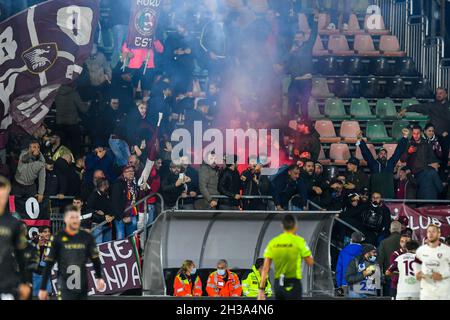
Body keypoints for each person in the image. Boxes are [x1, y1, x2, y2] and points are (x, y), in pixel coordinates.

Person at [38, 205, 106, 300]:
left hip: (82, 284)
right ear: (66, 219)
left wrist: (99, 277)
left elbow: (95, 259)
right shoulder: (58, 238)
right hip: (64, 284)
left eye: (76, 217)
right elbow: (49, 264)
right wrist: (43, 287)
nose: (74, 220)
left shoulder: (87, 237)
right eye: (71, 217)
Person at [258, 214, 314, 300]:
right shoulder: (300, 241)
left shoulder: (273, 242)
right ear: (295, 226)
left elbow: (265, 268)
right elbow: (310, 262)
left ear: (282, 226)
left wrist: (261, 289)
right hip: (294, 283)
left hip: (279, 283)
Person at [399, 87, 450, 176]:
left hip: (446, 137)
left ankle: (441, 179)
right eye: (437, 93)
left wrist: (447, 131)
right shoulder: (432, 105)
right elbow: (419, 107)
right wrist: (406, 109)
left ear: (446, 95)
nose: (438, 94)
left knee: (444, 159)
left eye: (441, 93)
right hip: (434, 137)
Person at [0, 176, 31, 300]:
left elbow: (21, 255)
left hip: (7, 282)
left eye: (2, 196)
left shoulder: (14, 224)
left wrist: (25, 281)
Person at [356, 128, 409, 198]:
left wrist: (405, 137)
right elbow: (367, 153)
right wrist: (360, 141)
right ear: (377, 155)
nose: (383, 155)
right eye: (381, 153)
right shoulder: (373, 164)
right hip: (376, 198)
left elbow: (398, 152)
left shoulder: (390, 163)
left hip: (389, 196)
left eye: (385, 153)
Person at [403, 125, 443, 199]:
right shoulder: (409, 144)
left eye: (417, 133)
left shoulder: (426, 144)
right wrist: (408, 152)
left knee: (430, 186)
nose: (416, 135)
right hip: (415, 174)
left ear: (421, 133)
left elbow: (432, 158)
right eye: (414, 133)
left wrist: (435, 164)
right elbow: (402, 159)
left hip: (425, 171)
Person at [414, 224, 450, 300]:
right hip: (426, 294)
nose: (430, 234)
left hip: (442, 293)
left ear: (439, 234)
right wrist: (417, 272)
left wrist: (442, 275)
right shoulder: (421, 250)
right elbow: (416, 263)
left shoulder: (447, 250)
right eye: (429, 232)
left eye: (433, 231)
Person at [286, 32, 313, 119]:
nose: (298, 39)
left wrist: (315, 21)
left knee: (304, 103)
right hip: (295, 81)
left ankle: (305, 124)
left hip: (305, 82)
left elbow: (314, 35)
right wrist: (290, 52)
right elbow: (285, 63)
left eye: (300, 37)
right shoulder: (291, 48)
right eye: (296, 37)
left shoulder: (307, 47)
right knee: (291, 102)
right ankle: (290, 122)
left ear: (303, 38)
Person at [111, 166, 139, 240]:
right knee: (121, 238)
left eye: (132, 171)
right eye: (129, 171)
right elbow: (115, 202)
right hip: (121, 216)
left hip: (132, 214)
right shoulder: (118, 183)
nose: (131, 173)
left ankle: (132, 251)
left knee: (132, 237)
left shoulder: (134, 183)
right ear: (124, 173)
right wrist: (123, 216)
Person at [377, 221, 402, 296]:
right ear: (400, 230)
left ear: (390, 230)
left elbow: (380, 261)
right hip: (404, 278)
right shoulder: (407, 242)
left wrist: (380, 277)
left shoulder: (384, 242)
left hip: (389, 278)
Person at [335, 231, 364, 296]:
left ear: (351, 239)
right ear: (360, 240)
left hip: (344, 284)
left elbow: (339, 270)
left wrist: (339, 284)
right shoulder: (364, 251)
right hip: (360, 285)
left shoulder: (343, 252)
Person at [87, 178, 114, 244]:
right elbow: (89, 209)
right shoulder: (93, 195)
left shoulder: (108, 195)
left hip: (107, 223)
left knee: (107, 245)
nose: (106, 187)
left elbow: (111, 207)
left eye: (106, 185)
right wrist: (96, 211)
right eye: (104, 185)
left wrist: (111, 215)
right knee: (98, 245)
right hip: (97, 224)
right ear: (100, 186)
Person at [385, 231, 412, 298]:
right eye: (402, 241)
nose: (404, 244)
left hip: (410, 286)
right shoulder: (395, 254)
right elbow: (391, 271)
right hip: (396, 285)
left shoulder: (415, 255)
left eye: (406, 242)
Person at [32, 226, 52, 297]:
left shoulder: (53, 243)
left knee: (47, 296)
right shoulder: (34, 242)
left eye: (49, 231)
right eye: (45, 232)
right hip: (36, 276)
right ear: (40, 233)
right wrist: (39, 246)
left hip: (47, 276)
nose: (48, 233)